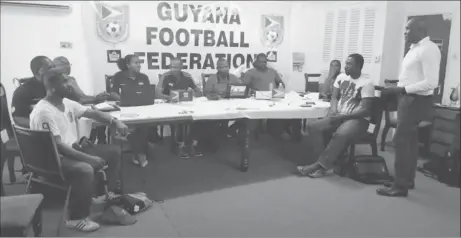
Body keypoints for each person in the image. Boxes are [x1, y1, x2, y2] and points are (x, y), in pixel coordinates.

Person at [29, 67, 128, 232]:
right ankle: (75, 218)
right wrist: (88, 158)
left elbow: (92, 113)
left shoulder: (66, 102)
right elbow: (57, 146)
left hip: (70, 149)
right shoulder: (44, 112)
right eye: (65, 82)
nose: (70, 85)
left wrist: (115, 121)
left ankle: (98, 194)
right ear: (52, 87)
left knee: (113, 152)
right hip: (53, 158)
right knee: (85, 169)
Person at [376, 17, 441, 197]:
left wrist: (402, 88)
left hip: (415, 101)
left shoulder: (429, 50)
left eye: (407, 29)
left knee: (402, 142)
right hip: (407, 98)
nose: (404, 32)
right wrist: (396, 87)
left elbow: (431, 83)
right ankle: (405, 180)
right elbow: (413, 77)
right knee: (410, 144)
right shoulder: (414, 49)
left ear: (420, 30)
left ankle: (399, 186)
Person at [297, 53, 375, 178]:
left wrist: (342, 117)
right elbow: (334, 97)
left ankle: (319, 166)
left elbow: (365, 110)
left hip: (357, 119)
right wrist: (334, 111)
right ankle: (324, 162)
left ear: (359, 66)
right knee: (313, 127)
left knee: (340, 134)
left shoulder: (367, 83)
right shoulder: (342, 77)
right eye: (346, 63)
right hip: (339, 115)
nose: (345, 66)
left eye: (349, 64)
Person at [110, 54, 157, 167]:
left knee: (145, 123)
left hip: (142, 107)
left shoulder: (143, 77)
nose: (139, 65)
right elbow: (113, 93)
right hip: (125, 108)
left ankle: (139, 148)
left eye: (139, 63)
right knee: (138, 126)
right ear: (128, 65)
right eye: (136, 62)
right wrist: (123, 100)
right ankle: (140, 153)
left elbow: (148, 93)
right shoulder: (118, 76)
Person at [53, 56, 111, 144]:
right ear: (54, 67)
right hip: (68, 112)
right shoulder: (55, 82)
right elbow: (81, 99)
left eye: (68, 64)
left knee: (102, 116)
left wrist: (97, 97)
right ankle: (90, 142)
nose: (68, 66)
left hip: (78, 107)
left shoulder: (71, 79)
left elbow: (82, 96)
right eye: (64, 64)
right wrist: (95, 99)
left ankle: (99, 142)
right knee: (97, 118)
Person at [160, 58, 205, 158]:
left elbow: (199, 92)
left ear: (181, 67)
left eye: (175, 67)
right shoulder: (165, 76)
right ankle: (179, 146)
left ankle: (192, 144)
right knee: (179, 121)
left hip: (185, 104)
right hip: (170, 105)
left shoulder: (187, 76)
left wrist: (191, 94)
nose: (172, 69)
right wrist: (171, 97)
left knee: (198, 118)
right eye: (170, 66)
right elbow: (157, 94)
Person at [11, 56, 53, 128]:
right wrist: (42, 126)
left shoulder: (55, 86)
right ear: (41, 71)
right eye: (50, 67)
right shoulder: (23, 91)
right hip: (38, 134)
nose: (54, 70)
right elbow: (18, 118)